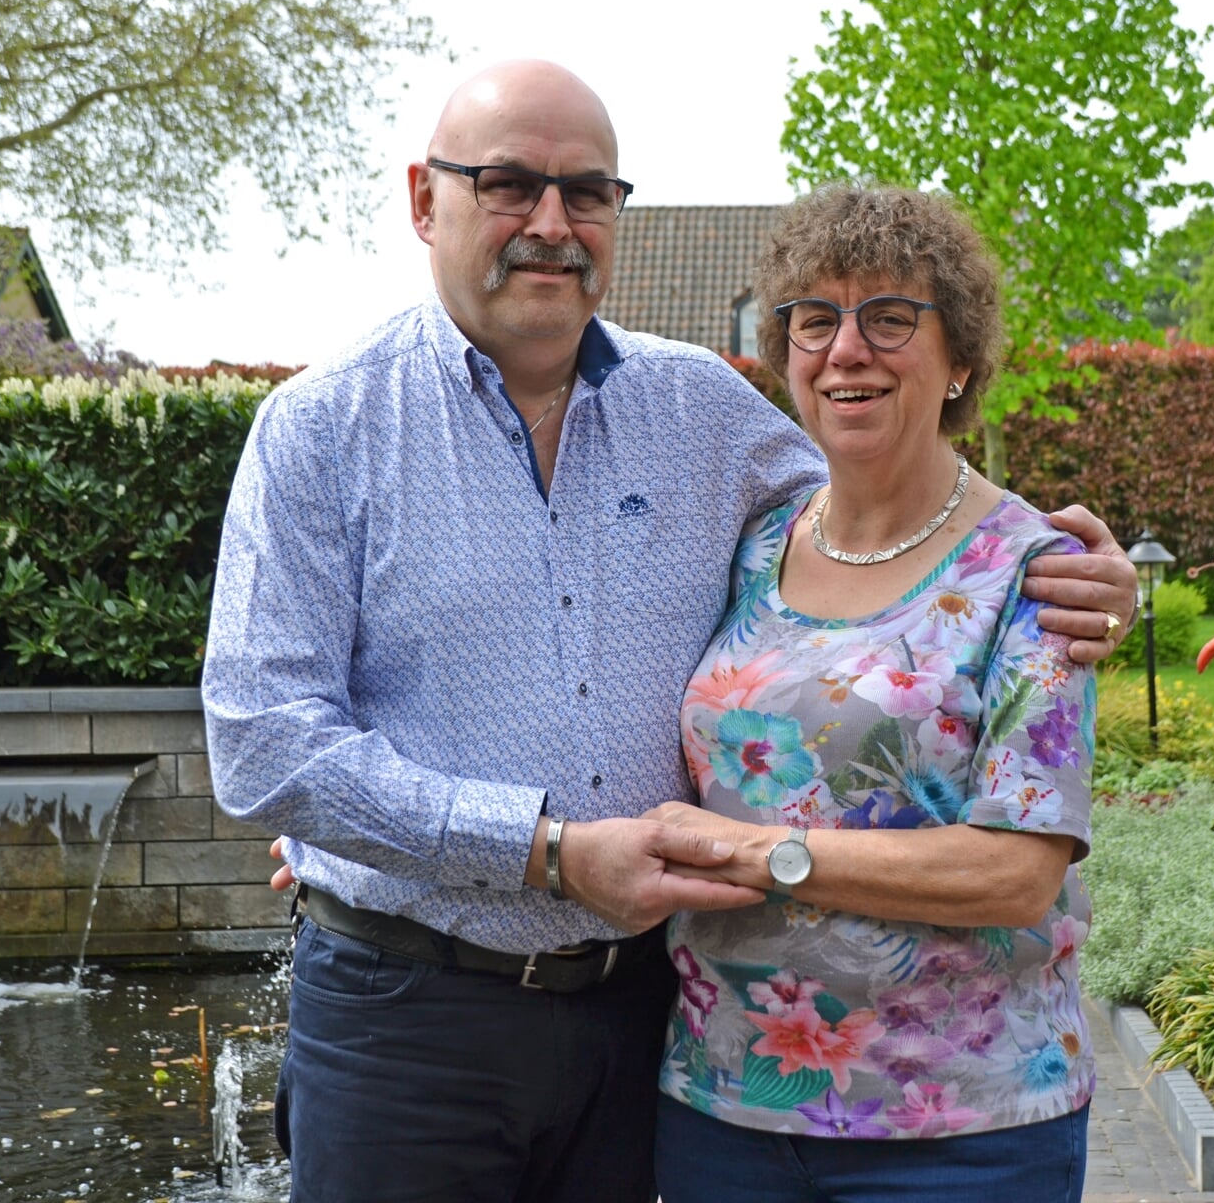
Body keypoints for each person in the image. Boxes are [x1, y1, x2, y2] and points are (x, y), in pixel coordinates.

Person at [205, 59, 1136, 1203]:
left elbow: (900, 506)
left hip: (641, 1022)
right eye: (509, 184)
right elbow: (263, 743)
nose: (552, 223)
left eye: (587, 192)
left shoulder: (702, 411)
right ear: (422, 199)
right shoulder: (319, 431)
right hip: (411, 1020)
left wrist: (1074, 567)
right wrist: (532, 846)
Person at [640, 185, 1099, 1203]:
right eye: (817, 318)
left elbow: (1016, 874)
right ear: (788, 352)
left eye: (891, 317)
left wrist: (767, 853)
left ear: (961, 359)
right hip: (724, 1107)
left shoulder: (1033, 571)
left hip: (959, 1129)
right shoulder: (752, 544)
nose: (848, 348)